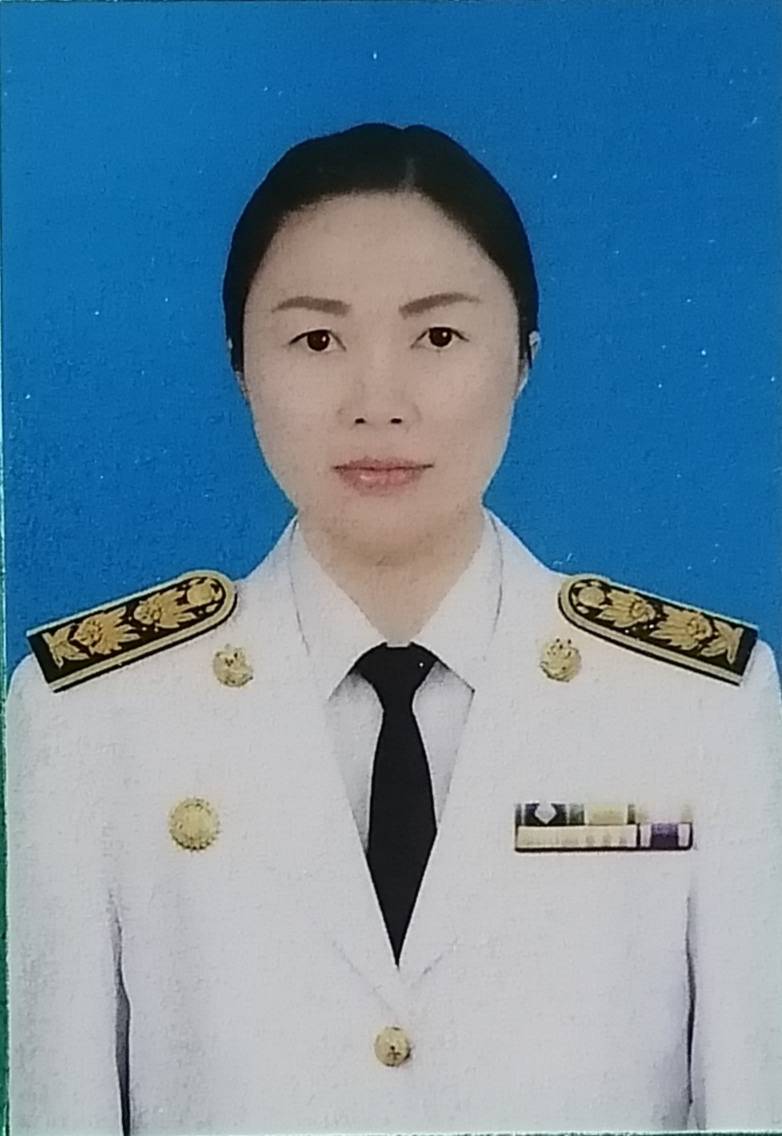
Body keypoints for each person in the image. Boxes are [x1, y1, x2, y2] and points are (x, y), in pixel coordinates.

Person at [6, 122, 782, 1135]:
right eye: (316, 340)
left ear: (525, 358)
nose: (378, 404)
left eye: (438, 337)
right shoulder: (92, 714)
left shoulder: (695, 706)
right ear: (240, 364)